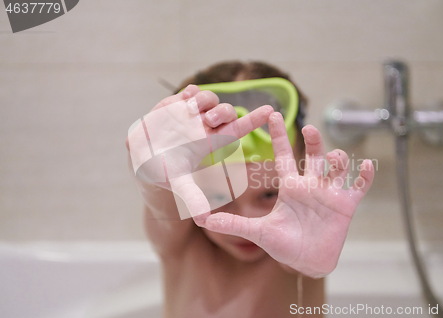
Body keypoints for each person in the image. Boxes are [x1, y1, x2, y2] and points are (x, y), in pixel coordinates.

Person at [126, 61, 375, 318]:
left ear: (302, 170)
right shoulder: (180, 241)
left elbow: (305, 261)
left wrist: (313, 262)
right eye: (218, 196)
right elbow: (159, 201)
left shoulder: (300, 244)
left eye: (270, 194)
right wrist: (151, 173)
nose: (247, 219)